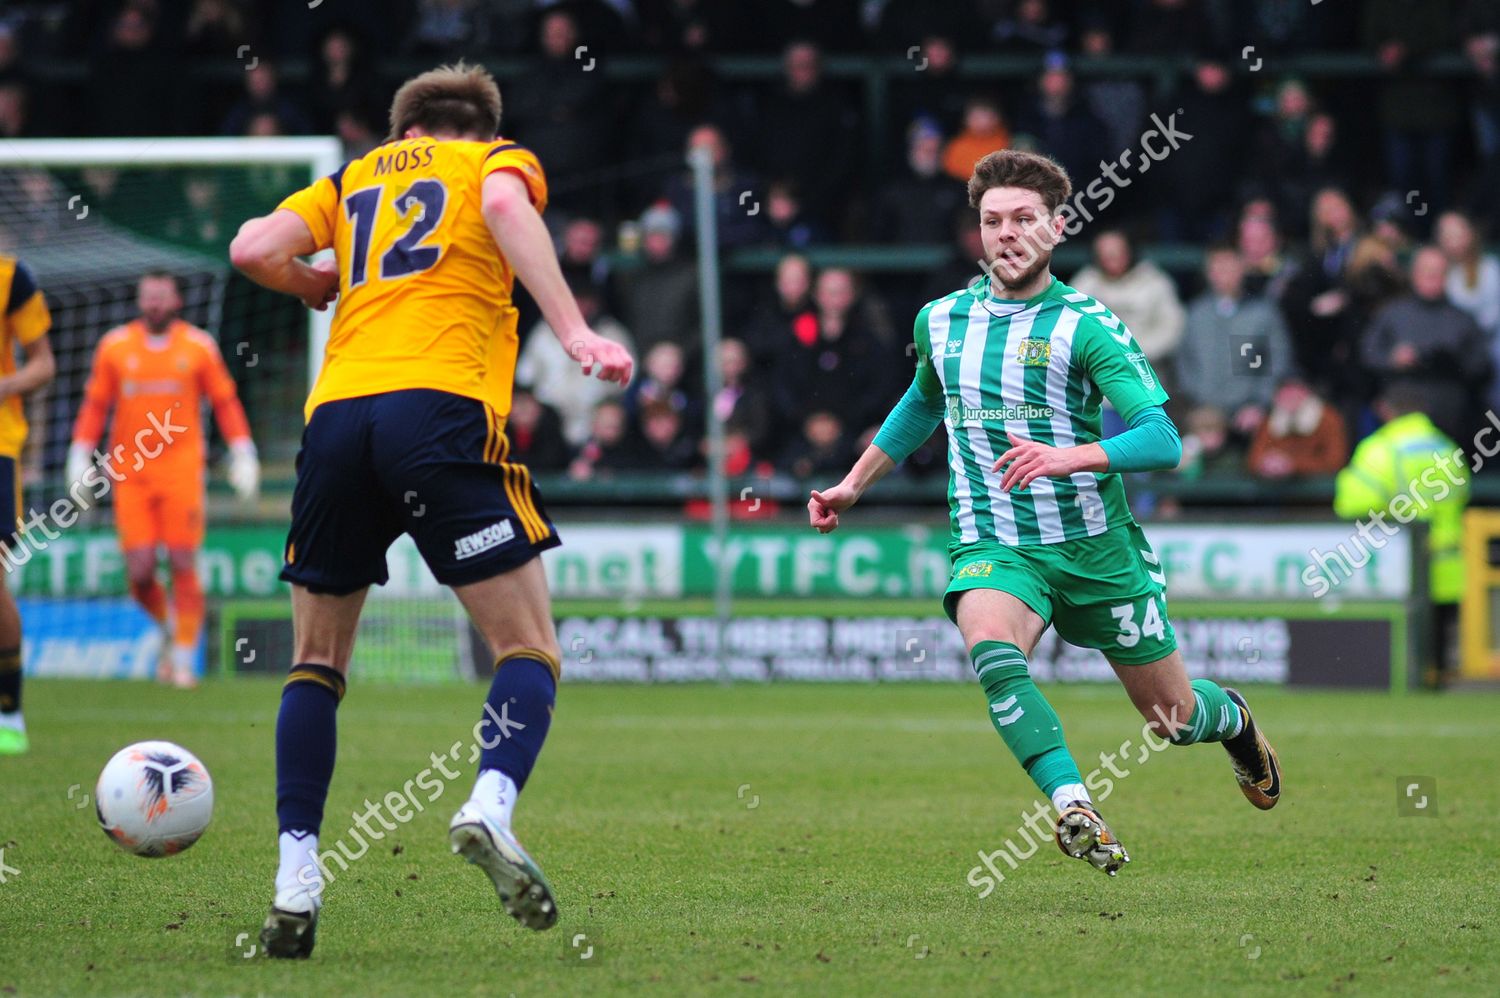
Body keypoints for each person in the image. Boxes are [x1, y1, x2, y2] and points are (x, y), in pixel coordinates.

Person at [229, 62, 633, 958]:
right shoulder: (497, 162)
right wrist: (573, 333)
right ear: (483, 128)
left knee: (315, 662)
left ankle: (297, 878)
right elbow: (502, 209)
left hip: (336, 421)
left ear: (403, 127)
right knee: (528, 646)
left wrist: (317, 286)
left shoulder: (353, 177)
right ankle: (489, 802)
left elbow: (252, 249)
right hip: (440, 410)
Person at [808, 150, 1282, 878]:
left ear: (1056, 228)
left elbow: (1162, 437)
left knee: (1174, 719)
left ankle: (1237, 723)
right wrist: (854, 483)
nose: (1007, 233)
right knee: (991, 648)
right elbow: (924, 403)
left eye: (1023, 219)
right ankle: (1073, 803)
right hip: (998, 540)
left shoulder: (1088, 325)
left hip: (1095, 548)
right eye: (992, 221)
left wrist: (1070, 456)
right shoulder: (941, 320)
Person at [66, 272, 260, 690]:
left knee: (183, 561)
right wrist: (80, 451)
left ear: (175, 301)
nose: (153, 303)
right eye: (147, 296)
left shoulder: (198, 347)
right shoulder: (115, 347)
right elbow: (97, 404)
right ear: (139, 300)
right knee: (139, 571)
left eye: (161, 296)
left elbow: (224, 402)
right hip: (129, 474)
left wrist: (243, 449)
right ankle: (170, 628)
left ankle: (184, 659)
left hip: (181, 471)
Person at [1335, 387, 1467, 687]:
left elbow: (1352, 502)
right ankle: (1439, 681)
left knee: (1405, 645)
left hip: (1399, 561)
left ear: (1386, 410)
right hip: (1446, 558)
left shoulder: (1381, 448)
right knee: (1439, 646)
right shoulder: (1445, 447)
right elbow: (1461, 492)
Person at [0, 255, 55, 755]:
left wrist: (4, 386)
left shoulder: (11, 278)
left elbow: (43, 363)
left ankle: (9, 711)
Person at [1360, 246, 1493, 446]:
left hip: (1451, 417)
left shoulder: (1462, 319)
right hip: (1401, 414)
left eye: (1438, 273)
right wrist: (1393, 359)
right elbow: (1367, 355)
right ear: (1414, 274)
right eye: (1427, 272)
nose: (1433, 278)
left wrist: (1453, 363)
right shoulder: (1392, 314)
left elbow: (1482, 366)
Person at [1173, 245, 1294, 439]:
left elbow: (1275, 363)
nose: (1224, 276)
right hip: (1203, 411)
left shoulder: (1262, 315)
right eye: (1218, 270)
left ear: (1242, 271)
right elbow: (1184, 362)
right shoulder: (1196, 314)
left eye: (1230, 269)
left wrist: (1259, 404)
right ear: (1209, 274)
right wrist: (1197, 403)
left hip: (1250, 413)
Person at [1067, 230, 1185, 370]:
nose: (1110, 256)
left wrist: (1134, 354)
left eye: (1116, 251)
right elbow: (1068, 325)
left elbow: (1171, 327)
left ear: (1129, 251)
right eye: (1104, 252)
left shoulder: (1154, 281)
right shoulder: (1084, 282)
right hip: (1096, 366)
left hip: (1148, 367)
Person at [1247, 377, 1349, 479]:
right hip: (1275, 486)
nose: (1289, 397)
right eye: (1285, 393)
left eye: (1294, 392)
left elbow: (1335, 461)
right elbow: (1254, 457)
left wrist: (1293, 465)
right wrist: (1266, 464)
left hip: (1316, 485)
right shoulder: (1271, 419)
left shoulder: (1328, 419)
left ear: (1306, 393)